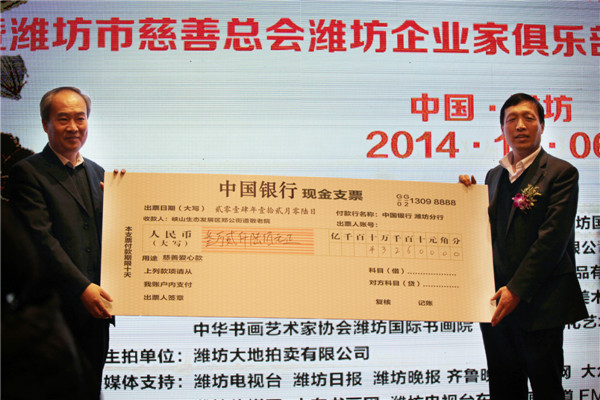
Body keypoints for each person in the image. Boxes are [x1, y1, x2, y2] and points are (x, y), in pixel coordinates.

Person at [459, 93, 588, 399]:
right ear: (502, 129)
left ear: (542, 126)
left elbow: (552, 240)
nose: (520, 125)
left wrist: (516, 290)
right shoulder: (494, 175)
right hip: (497, 306)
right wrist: (467, 198)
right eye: (511, 119)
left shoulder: (561, 173)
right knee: (504, 389)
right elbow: (489, 231)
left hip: (540, 305)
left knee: (547, 389)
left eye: (529, 118)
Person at [8, 87, 123, 399]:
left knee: (90, 390)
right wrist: (83, 288)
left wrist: (127, 201)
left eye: (80, 118)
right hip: (54, 316)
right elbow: (41, 240)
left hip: (96, 314)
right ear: (45, 124)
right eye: (63, 119)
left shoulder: (99, 173)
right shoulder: (27, 172)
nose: (73, 127)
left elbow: (114, 237)